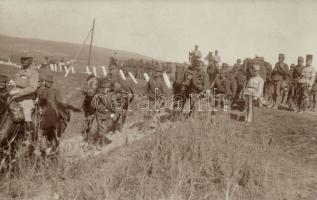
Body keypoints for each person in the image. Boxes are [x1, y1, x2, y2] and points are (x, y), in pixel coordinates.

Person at [9, 56, 39, 145]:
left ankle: (28, 137)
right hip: (15, 95)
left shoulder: (34, 73)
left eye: (25, 59)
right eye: (22, 59)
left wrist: (19, 91)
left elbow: (33, 88)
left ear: (30, 61)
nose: (23, 61)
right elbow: (18, 81)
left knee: (27, 113)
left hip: (26, 98)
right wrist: (13, 84)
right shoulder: (21, 70)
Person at [141, 65, 168, 130]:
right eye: (156, 71)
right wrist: (143, 95)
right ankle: (144, 127)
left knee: (155, 114)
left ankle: (155, 127)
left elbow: (165, 92)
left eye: (158, 72)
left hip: (159, 100)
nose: (157, 73)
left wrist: (163, 99)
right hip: (150, 98)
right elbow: (146, 89)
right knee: (146, 113)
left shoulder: (162, 81)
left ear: (160, 73)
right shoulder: (150, 80)